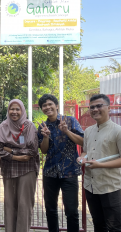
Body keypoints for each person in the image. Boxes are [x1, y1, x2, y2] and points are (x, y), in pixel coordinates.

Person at [77, 94, 121, 232]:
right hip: (90, 186)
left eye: (99, 106)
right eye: (92, 107)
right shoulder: (89, 131)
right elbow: (85, 151)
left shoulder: (119, 132)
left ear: (109, 108)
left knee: (115, 227)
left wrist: (100, 165)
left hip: (109, 187)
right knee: (98, 225)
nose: (95, 109)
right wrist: (82, 158)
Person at [37, 94, 84, 232]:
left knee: (71, 210)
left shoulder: (70, 120)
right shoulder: (43, 127)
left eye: (50, 104)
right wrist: (45, 137)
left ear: (56, 106)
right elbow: (44, 151)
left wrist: (66, 131)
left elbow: (82, 141)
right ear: (42, 109)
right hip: (50, 172)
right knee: (50, 209)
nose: (47, 107)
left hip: (69, 172)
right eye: (44, 106)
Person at [0, 99, 39, 232]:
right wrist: (17, 155)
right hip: (9, 169)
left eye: (17, 109)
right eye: (11, 109)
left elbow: (33, 150)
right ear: (8, 111)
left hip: (27, 169)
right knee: (9, 204)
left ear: (22, 111)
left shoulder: (29, 126)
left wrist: (11, 149)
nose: (14, 112)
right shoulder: (3, 126)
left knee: (24, 204)